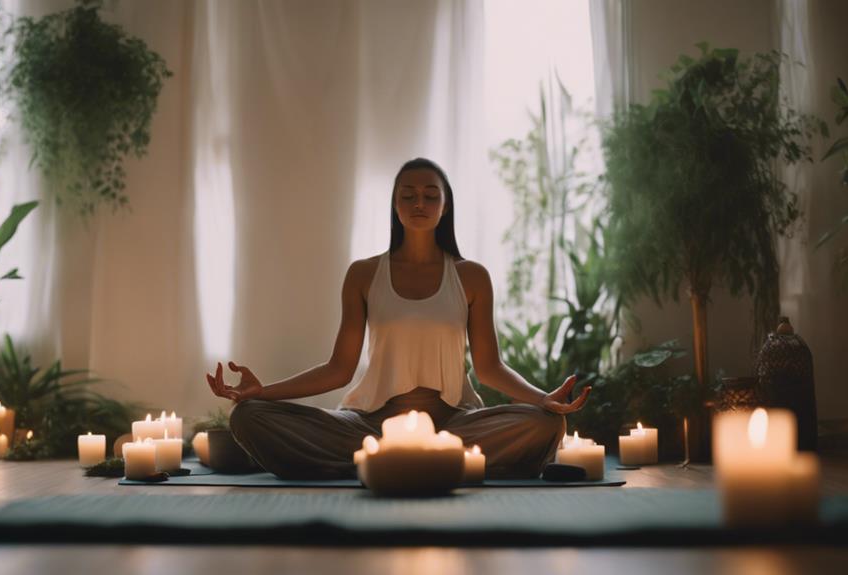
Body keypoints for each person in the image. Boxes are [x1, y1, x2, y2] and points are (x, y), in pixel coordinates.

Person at [205, 157, 590, 479]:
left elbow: (490, 369)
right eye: (408, 195)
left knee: (546, 424)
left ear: (446, 205)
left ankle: (378, 465)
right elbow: (339, 369)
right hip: (371, 424)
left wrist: (544, 400)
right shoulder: (363, 274)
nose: (419, 202)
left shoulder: (472, 276)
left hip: (451, 424)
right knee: (249, 417)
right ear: (395, 205)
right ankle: (421, 463)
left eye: (429, 195)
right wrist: (263, 392)